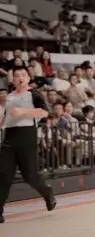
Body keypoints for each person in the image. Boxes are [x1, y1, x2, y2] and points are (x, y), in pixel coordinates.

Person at [0, 66, 57, 222]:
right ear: (12, 79)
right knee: (3, 175)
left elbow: (44, 113)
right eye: (16, 75)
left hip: (27, 136)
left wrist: (24, 112)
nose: (20, 78)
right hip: (9, 137)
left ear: (28, 78)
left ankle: (47, 192)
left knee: (30, 175)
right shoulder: (9, 96)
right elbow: (6, 117)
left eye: (23, 75)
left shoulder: (34, 94)